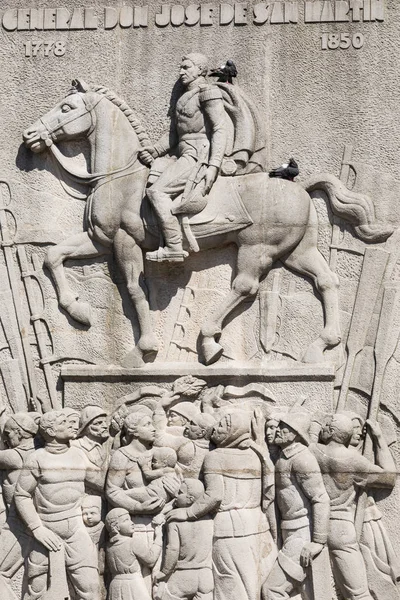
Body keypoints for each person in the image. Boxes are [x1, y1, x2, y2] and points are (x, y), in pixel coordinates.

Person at [167, 409, 276, 600]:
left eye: (224, 425)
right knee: (254, 584)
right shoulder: (256, 455)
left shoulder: (215, 456)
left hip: (229, 530)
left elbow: (214, 496)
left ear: (235, 431)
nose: (216, 428)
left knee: (230, 586)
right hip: (258, 526)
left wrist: (187, 513)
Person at [139, 53, 227, 262]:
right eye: (181, 67)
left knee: (157, 192)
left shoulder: (208, 92)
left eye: (186, 67)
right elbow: (174, 134)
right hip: (183, 152)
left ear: (200, 70)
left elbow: (220, 129)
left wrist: (213, 165)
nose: (181, 72)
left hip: (198, 154)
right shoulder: (183, 95)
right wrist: (155, 150)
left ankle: (173, 246)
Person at [14, 410, 99, 600]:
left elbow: (102, 482)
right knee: (35, 590)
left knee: (91, 587)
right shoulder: (37, 458)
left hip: (76, 529)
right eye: (64, 422)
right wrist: (37, 529)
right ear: (51, 431)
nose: (71, 424)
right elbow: (21, 494)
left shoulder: (79, 455)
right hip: (46, 530)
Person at [312, 413, 396, 600]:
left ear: (332, 432)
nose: (322, 428)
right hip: (341, 529)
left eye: (326, 426)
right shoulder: (354, 460)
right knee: (358, 593)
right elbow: (389, 477)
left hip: (313, 525)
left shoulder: (312, 451)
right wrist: (379, 438)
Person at [262, 412, 330, 600]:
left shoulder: (302, 459)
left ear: (297, 434)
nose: (281, 430)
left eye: (287, 428)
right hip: (288, 532)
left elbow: (320, 498)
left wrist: (317, 542)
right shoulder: (284, 456)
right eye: (282, 425)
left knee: (272, 590)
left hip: (301, 534)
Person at [0, 413, 40, 600]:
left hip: (19, 527)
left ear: (19, 432)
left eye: (8, 434)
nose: (6, 440)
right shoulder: (39, 452)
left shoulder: (14, 456)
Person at [155, 479, 214, 600]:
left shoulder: (175, 521)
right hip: (206, 576)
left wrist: (164, 572)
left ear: (190, 499)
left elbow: (173, 549)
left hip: (184, 576)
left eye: (180, 492)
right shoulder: (210, 520)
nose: (176, 495)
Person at [106, 507, 163, 600]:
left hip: (115, 585)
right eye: (126, 520)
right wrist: (159, 537)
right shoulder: (132, 542)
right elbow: (151, 560)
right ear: (116, 527)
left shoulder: (109, 546)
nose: (132, 523)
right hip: (133, 585)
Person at [72, 405, 111, 495]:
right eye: (98, 423)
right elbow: (97, 481)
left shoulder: (105, 446)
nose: (105, 426)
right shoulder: (76, 446)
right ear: (87, 427)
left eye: (105, 422)